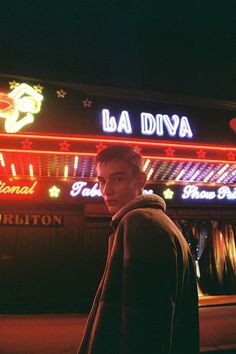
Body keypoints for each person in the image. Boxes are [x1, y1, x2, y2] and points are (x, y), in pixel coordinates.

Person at [78, 145, 199, 354]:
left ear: (141, 180)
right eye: (102, 181)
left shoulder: (142, 223)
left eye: (118, 179)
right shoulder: (154, 221)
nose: (106, 190)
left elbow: (146, 327)